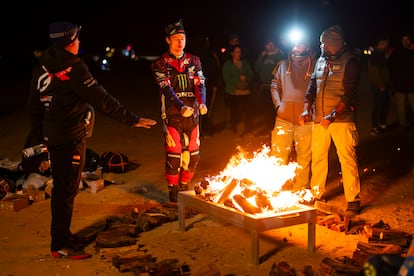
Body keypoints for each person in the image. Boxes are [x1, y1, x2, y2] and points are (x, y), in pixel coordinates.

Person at [27, 21, 157, 260]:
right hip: (70, 138)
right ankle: (60, 246)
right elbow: (102, 99)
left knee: (64, 189)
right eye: (76, 39)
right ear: (67, 43)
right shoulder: (74, 68)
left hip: (54, 137)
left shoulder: (42, 66)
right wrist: (132, 120)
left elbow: (34, 106)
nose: (79, 43)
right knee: (65, 191)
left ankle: (64, 236)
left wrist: (38, 136)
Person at [299, 25, 362, 215]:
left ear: (333, 44)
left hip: (341, 121)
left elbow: (349, 94)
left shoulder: (350, 63)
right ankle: (317, 193)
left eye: (324, 43)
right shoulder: (320, 60)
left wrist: (332, 116)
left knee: (347, 158)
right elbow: (312, 86)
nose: (321, 46)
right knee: (318, 157)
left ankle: (353, 200)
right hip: (319, 119)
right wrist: (305, 108)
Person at [151, 19, 207, 202]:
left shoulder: (194, 60)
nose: (179, 42)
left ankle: (184, 188)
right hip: (172, 114)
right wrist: (181, 106)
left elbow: (200, 85)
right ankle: (173, 195)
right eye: (175, 38)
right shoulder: (160, 63)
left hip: (193, 115)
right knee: (174, 155)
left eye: (182, 38)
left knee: (193, 155)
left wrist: (202, 103)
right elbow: (166, 90)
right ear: (168, 40)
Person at [270, 39, 317, 192]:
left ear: (307, 46)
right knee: (278, 155)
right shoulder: (283, 64)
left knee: (304, 157)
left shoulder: (316, 65)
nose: (296, 47)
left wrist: (312, 109)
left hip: (305, 121)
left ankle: (300, 189)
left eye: (300, 44)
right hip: (283, 120)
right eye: (294, 44)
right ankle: (273, 188)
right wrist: (278, 106)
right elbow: (274, 85)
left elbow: (321, 89)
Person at [222, 44, 255, 138]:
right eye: (236, 52)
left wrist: (246, 79)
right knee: (234, 112)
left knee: (247, 112)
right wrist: (237, 80)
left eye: (240, 52)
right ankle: (235, 130)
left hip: (245, 92)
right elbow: (226, 77)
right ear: (232, 53)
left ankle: (248, 130)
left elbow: (251, 74)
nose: (239, 54)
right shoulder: (228, 64)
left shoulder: (245, 63)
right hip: (233, 92)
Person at [254, 37, 286, 135]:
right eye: (268, 44)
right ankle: (268, 128)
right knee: (266, 108)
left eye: (271, 44)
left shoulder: (280, 54)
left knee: (275, 109)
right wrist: (261, 57)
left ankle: (275, 128)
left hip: (276, 87)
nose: (270, 46)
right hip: (264, 86)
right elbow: (257, 68)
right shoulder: (264, 55)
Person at [192, 34, 221, 137]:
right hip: (199, 86)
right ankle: (198, 131)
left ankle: (202, 130)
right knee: (199, 108)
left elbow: (215, 68)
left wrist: (215, 82)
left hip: (205, 85)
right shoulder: (197, 55)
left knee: (204, 108)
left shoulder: (208, 54)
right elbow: (214, 68)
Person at [388, 32, 414, 130]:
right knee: (400, 108)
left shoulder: (411, 53)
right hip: (400, 86)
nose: (406, 42)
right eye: (404, 40)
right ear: (401, 41)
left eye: (408, 40)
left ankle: (404, 124)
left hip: (411, 86)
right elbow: (390, 69)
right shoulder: (395, 54)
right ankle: (403, 125)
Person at [367, 35, 392, 136]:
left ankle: (382, 124)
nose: (387, 45)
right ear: (381, 43)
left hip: (383, 85)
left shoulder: (381, 54)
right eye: (385, 43)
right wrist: (381, 85)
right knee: (378, 106)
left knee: (385, 104)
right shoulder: (376, 55)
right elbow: (375, 71)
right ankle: (374, 127)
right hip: (378, 86)